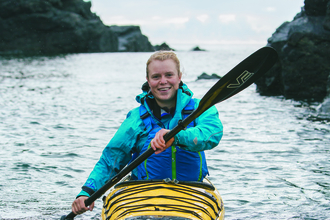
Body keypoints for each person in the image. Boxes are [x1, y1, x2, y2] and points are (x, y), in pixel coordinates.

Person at [71, 51, 223, 215]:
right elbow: (112, 158)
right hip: (143, 196)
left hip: (191, 192)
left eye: (169, 75)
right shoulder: (136, 118)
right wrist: (87, 191)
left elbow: (211, 134)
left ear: (179, 77)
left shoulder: (200, 109)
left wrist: (176, 136)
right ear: (148, 81)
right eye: (156, 76)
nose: (163, 81)